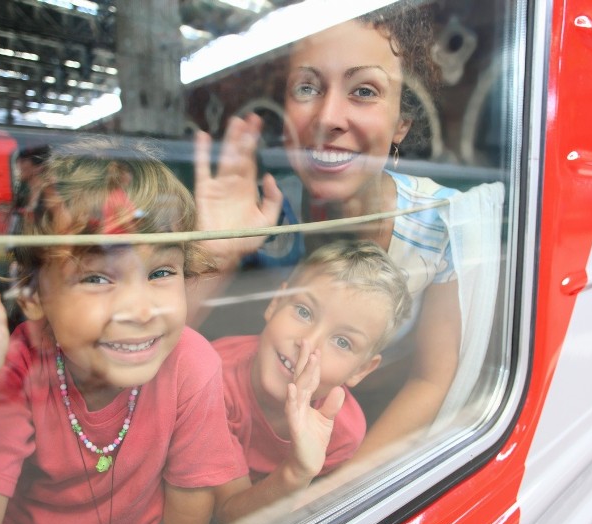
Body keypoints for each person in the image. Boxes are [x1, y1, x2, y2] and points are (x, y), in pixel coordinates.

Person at [0, 137, 245, 524]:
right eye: (96, 278)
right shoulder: (18, 369)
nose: (140, 309)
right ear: (33, 294)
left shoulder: (192, 363)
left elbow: (190, 489)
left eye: (161, 272)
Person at [192, 4, 462, 460]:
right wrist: (217, 254)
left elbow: (430, 379)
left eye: (363, 91)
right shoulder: (265, 211)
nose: (327, 116)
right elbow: (152, 353)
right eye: (307, 87)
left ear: (402, 122)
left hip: (369, 441)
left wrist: (333, 494)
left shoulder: (441, 222)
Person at [211, 240, 412, 524]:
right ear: (276, 304)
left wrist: (301, 470)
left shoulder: (341, 433)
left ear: (362, 370)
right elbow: (225, 516)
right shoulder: (211, 381)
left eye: (342, 342)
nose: (308, 344)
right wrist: (295, 472)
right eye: (304, 311)